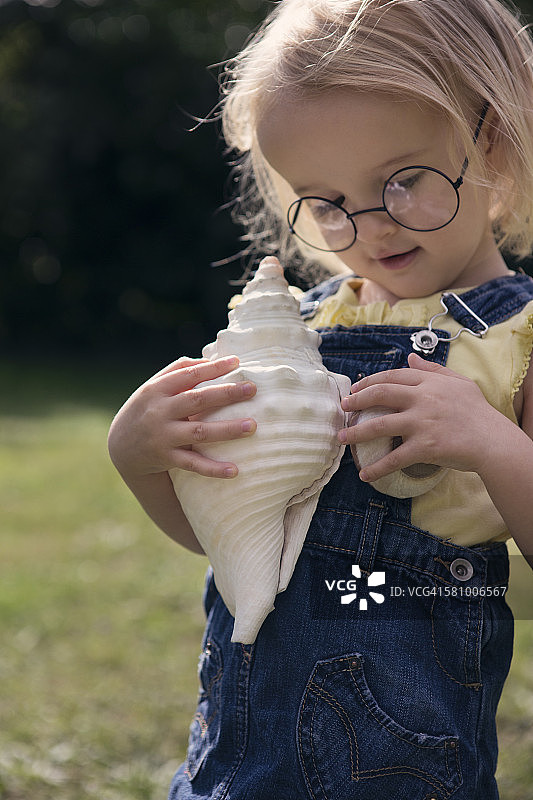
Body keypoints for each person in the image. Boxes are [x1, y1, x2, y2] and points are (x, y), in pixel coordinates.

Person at [107, 0, 533, 797]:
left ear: (495, 144)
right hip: (235, 747)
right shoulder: (304, 328)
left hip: (403, 761)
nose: (371, 228)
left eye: (404, 181)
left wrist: (491, 439)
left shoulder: (518, 340)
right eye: (329, 203)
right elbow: (226, 536)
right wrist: (141, 465)